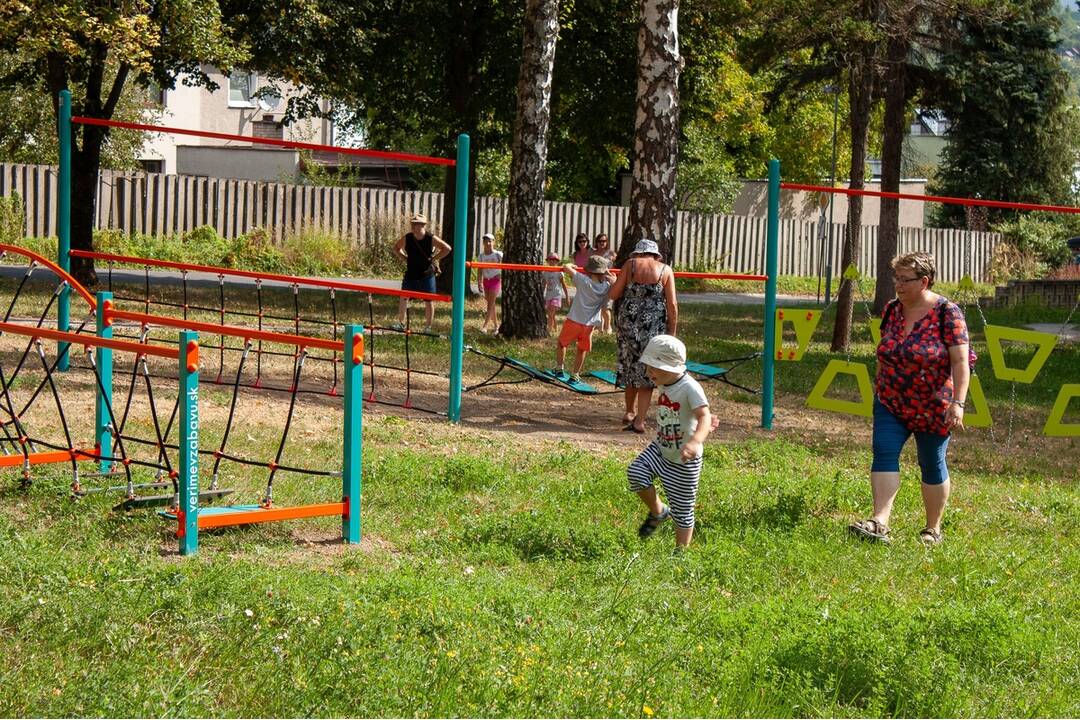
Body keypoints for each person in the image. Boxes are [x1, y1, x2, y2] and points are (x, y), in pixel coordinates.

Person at [849, 252, 971, 546]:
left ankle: (932, 529)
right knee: (884, 451)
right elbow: (886, 350)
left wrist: (958, 403)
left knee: (931, 462)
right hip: (891, 400)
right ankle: (879, 522)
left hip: (933, 405)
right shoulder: (893, 310)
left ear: (924, 282)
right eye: (896, 278)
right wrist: (880, 385)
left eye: (905, 280)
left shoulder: (947, 313)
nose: (898, 285)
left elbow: (960, 363)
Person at [627, 334, 712, 549]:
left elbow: (705, 416)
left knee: (683, 510)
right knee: (636, 473)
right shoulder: (665, 382)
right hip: (660, 447)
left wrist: (695, 441)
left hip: (684, 459)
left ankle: (680, 553)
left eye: (654, 367)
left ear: (673, 367)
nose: (649, 372)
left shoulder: (690, 387)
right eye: (648, 366)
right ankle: (659, 511)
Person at [608, 239, 678, 434]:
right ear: (656, 255)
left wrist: (614, 282)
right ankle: (639, 420)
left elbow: (613, 295)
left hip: (628, 325)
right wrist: (672, 331)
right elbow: (672, 304)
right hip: (653, 328)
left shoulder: (630, 265)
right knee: (648, 372)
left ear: (637, 253)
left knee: (630, 366)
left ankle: (629, 412)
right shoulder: (665, 270)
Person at [552, 256, 615, 382]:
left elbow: (566, 267)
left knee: (562, 343)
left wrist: (572, 265)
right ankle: (575, 374)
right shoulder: (606, 287)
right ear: (603, 272)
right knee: (582, 349)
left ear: (589, 271)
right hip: (589, 325)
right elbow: (615, 282)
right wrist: (609, 274)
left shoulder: (583, 280)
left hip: (574, 320)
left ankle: (559, 368)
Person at [392, 213, 450, 333]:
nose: (416, 227)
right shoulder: (407, 237)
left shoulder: (430, 238)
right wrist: (404, 258)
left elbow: (447, 248)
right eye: (413, 224)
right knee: (403, 297)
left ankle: (428, 327)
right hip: (411, 273)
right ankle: (401, 323)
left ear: (424, 225)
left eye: (418, 225)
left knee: (428, 300)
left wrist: (434, 258)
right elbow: (396, 248)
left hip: (427, 274)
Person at [476, 232, 502, 334]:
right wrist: (479, 282)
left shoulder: (498, 254)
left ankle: (485, 326)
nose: (488, 243)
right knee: (491, 304)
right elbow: (479, 270)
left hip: (495, 281)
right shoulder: (481, 256)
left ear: (493, 242)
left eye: (490, 241)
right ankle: (496, 326)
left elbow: (505, 265)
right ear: (483, 243)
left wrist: (501, 275)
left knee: (490, 304)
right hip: (486, 281)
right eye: (486, 241)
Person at [593, 233, 616, 334]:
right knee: (598, 305)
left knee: (605, 306)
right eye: (599, 241)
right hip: (596, 281)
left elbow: (615, 267)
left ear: (607, 242)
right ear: (596, 242)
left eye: (604, 241)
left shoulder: (611, 254)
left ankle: (608, 326)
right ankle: (600, 327)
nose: (601, 243)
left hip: (607, 281)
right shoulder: (593, 253)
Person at [543, 252, 570, 334]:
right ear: (548, 261)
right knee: (552, 314)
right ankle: (555, 328)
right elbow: (544, 284)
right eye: (550, 260)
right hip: (548, 296)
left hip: (556, 295)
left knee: (550, 313)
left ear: (557, 261)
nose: (552, 262)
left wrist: (567, 296)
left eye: (554, 260)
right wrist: (541, 294)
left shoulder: (559, 272)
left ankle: (549, 330)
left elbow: (564, 285)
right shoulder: (545, 272)